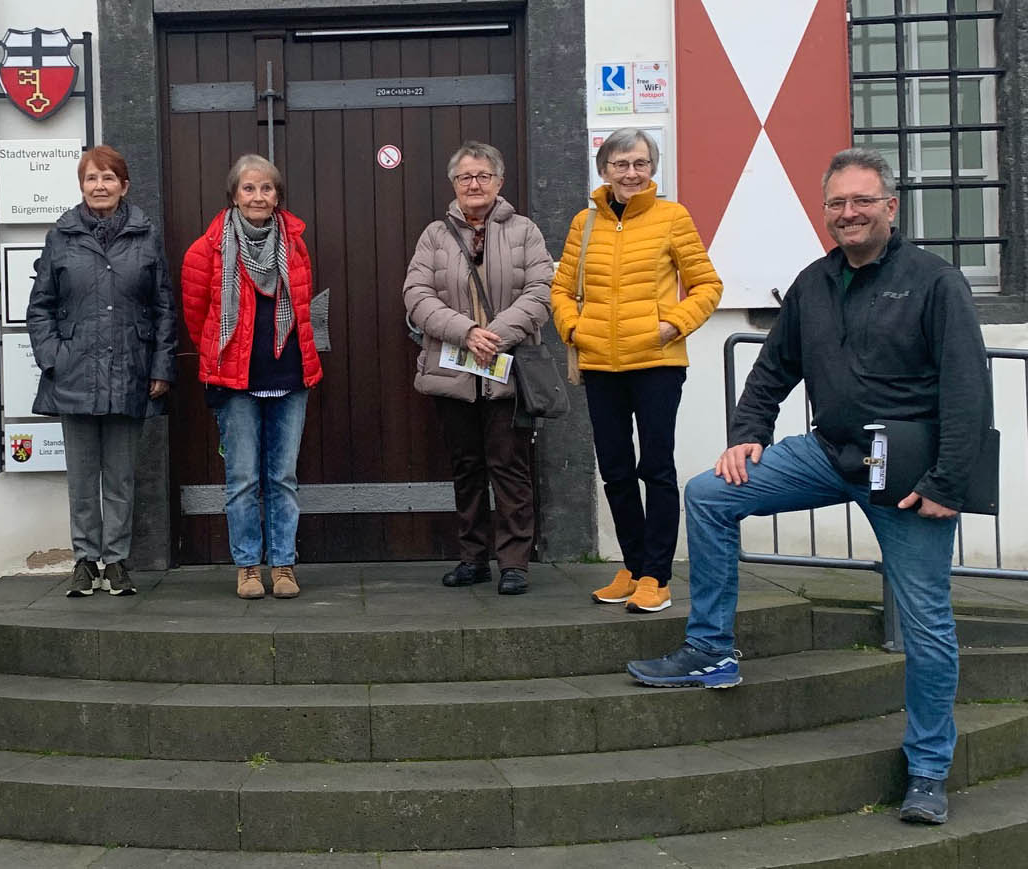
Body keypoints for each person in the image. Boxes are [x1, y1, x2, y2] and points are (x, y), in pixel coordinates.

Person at [627, 148, 993, 827]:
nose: (847, 213)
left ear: (891, 206)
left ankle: (929, 769)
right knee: (711, 494)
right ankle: (711, 651)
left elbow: (969, 389)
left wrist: (949, 481)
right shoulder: (815, 282)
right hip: (830, 452)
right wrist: (748, 431)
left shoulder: (935, 282)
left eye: (861, 201)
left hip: (910, 477)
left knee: (928, 626)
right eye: (836, 204)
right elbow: (773, 367)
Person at [551, 127, 722, 613]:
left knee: (657, 469)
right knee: (616, 471)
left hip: (656, 365)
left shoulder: (673, 218)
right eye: (621, 164)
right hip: (601, 364)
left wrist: (675, 323)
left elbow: (707, 286)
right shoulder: (584, 223)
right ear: (604, 169)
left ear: (653, 169)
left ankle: (657, 576)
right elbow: (560, 289)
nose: (631, 173)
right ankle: (632, 564)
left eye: (641, 163)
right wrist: (573, 329)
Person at [27, 145, 178, 598]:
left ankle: (115, 562)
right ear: (81, 186)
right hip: (74, 375)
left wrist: (160, 366)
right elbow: (41, 307)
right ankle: (83, 560)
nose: (100, 186)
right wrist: (54, 356)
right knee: (81, 478)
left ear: (124, 185)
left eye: (108, 178)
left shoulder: (146, 236)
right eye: (91, 179)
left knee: (120, 477)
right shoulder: (62, 236)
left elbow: (164, 309)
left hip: (129, 371)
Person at [403, 141, 553, 595]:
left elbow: (541, 290)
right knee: (466, 467)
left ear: (499, 182)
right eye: (465, 176)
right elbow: (416, 295)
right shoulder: (434, 235)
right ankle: (473, 558)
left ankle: (513, 563)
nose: (474, 184)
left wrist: (496, 334)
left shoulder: (526, 231)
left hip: (507, 372)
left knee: (510, 467)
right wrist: (466, 332)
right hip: (453, 373)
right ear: (454, 184)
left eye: (483, 175)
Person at [181, 154, 322, 600]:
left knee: (282, 477)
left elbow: (301, 308)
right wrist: (222, 359)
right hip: (233, 382)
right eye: (249, 188)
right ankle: (247, 567)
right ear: (234, 195)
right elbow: (196, 316)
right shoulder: (207, 250)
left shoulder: (295, 244)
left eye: (266, 188)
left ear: (278, 195)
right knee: (242, 479)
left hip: (290, 375)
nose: (258, 196)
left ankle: (282, 565)